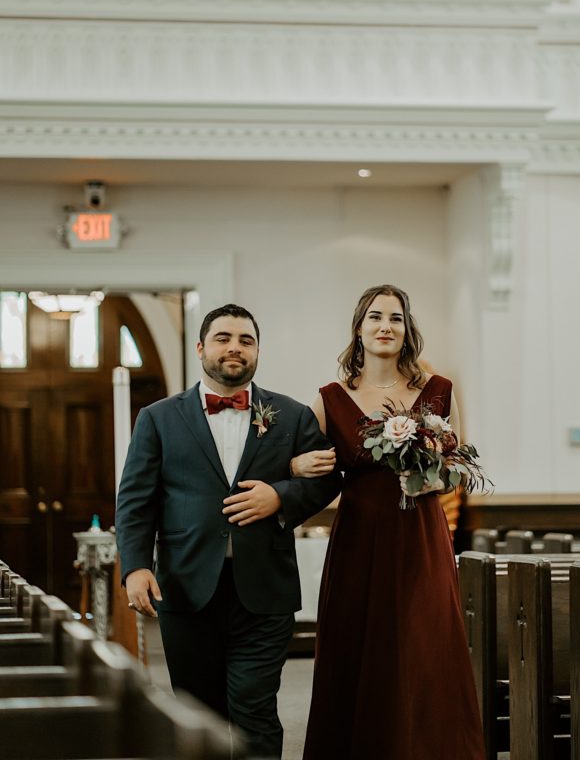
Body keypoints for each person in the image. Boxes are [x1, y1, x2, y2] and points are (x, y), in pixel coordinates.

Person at [115, 304, 341, 760]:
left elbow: (326, 479)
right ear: (201, 348)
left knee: (255, 712)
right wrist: (136, 566)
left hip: (264, 591)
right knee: (198, 715)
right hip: (186, 589)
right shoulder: (158, 418)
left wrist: (279, 495)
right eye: (223, 338)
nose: (234, 347)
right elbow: (135, 500)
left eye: (246, 340)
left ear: (258, 351)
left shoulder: (292, 416)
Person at [292, 284, 486, 760]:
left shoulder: (438, 393)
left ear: (407, 330)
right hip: (358, 539)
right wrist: (297, 466)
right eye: (375, 317)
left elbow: (455, 469)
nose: (385, 326)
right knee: (358, 650)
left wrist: (431, 469)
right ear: (359, 329)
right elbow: (298, 463)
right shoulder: (329, 398)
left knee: (423, 647)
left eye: (395, 319)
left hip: (419, 538)